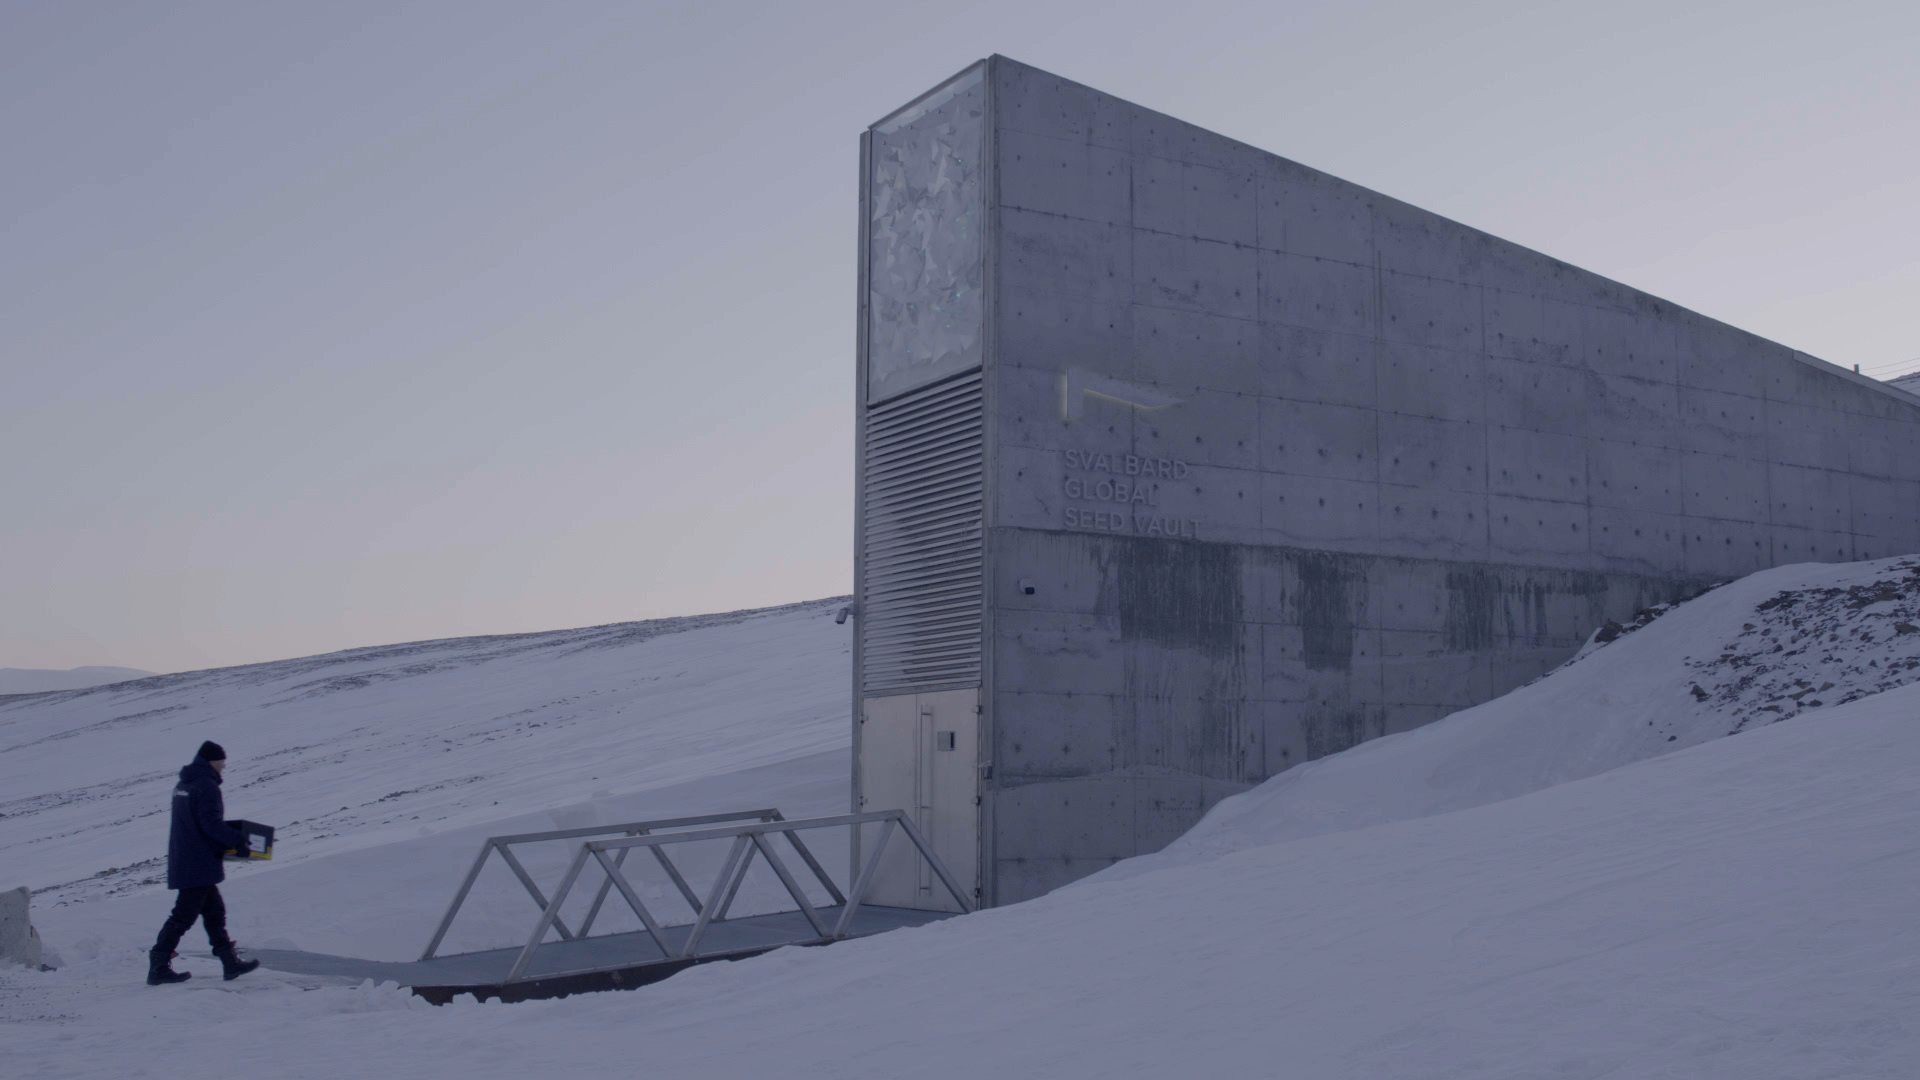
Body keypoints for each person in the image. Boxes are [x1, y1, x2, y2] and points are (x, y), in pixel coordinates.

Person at [146, 741, 260, 985]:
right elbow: (210, 824)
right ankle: (158, 963)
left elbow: (196, 823)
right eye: (222, 762)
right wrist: (237, 840)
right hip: (198, 863)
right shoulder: (206, 786)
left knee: (214, 912)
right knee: (183, 916)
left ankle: (229, 963)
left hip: (188, 859)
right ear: (212, 762)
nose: (224, 767)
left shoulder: (184, 784)